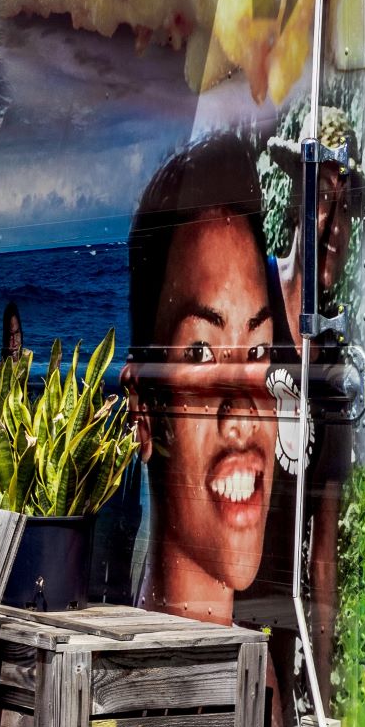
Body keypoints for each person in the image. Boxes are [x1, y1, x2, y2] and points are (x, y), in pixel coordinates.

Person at [127, 132, 281, 625]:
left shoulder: (266, 690)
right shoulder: (134, 689)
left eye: (257, 349)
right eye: (201, 352)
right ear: (143, 411)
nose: (242, 412)